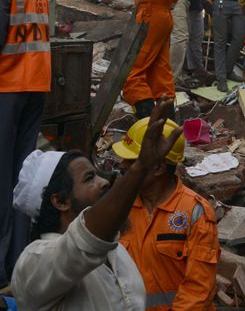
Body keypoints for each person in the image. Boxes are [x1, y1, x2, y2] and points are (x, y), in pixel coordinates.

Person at [11, 100, 181, 310]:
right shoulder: (34, 262)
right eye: (89, 178)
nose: (103, 182)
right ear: (60, 201)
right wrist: (141, 167)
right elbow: (83, 244)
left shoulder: (117, 252)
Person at [114, 117, 220, 310]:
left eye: (131, 160)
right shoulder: (120, 207)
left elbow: (198, 290)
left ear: (158, 167)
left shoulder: (195, 212)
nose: (122, 165)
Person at [0, 0, 51, 287]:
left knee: (3, 178)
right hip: (37, 83)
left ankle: (2, 269)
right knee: (21, 177)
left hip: (7, 85)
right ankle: (18, 260)